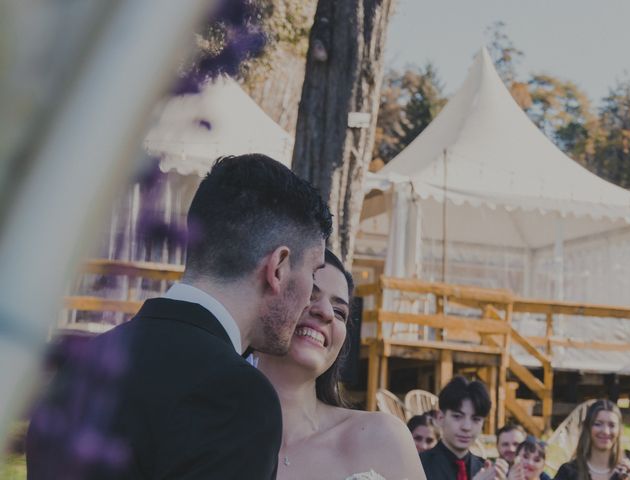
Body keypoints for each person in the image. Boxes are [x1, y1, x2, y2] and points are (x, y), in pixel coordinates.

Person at [26, 154, 332, 479]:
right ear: (279, 268)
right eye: (314, 273)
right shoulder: (238, 394)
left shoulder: (84, 363)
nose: (311, 298)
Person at [257, 250, 426, 480]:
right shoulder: (209, 433)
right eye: (309, 295)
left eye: (339, 312)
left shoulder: (382, 437)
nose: (326, 313)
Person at [420, 376, 508, 480]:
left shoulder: (484, 469)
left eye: (476, 419)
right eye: (457, 416)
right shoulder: (419, 465)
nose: (467, 427)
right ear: (440, 418)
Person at [553, 399, 630, 480]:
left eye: (612, 425)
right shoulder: (568, 472)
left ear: (619, 430)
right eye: (598, 424)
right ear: (588, 427)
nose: (606, 431)